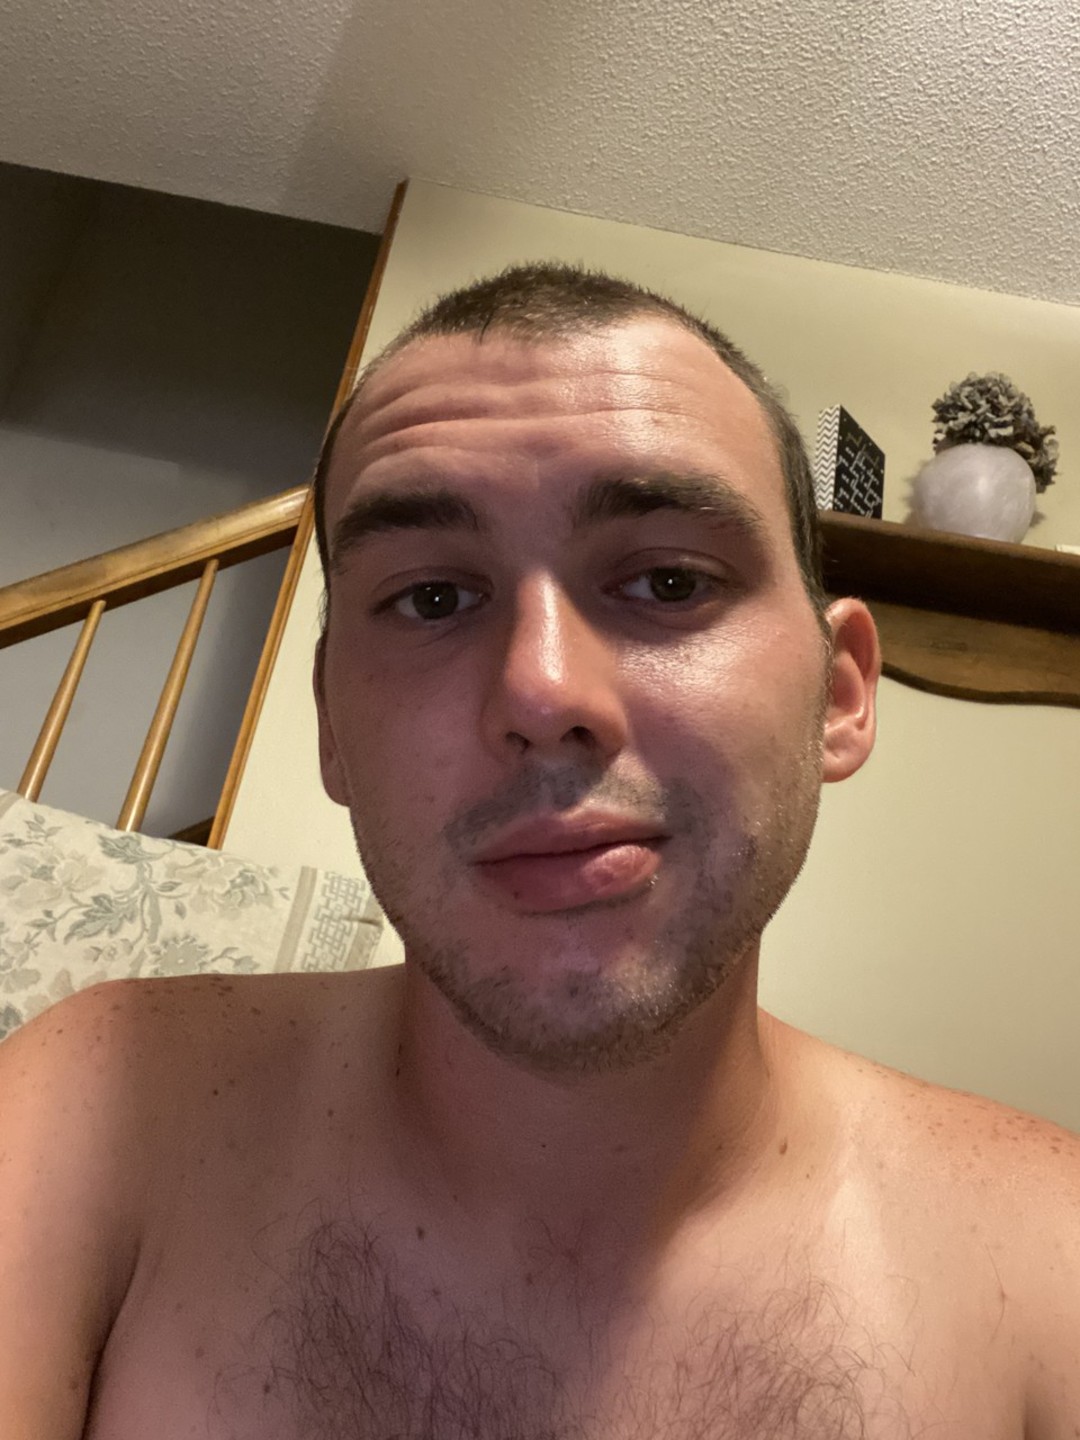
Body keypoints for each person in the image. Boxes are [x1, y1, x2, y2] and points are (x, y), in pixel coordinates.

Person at [1, 264, 1077, 1439]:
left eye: (668, 580)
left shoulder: (1045, 1257)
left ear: (840, 694)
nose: (542, 691)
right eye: (431, 600)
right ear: (330, 727)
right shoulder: (96, 1109)